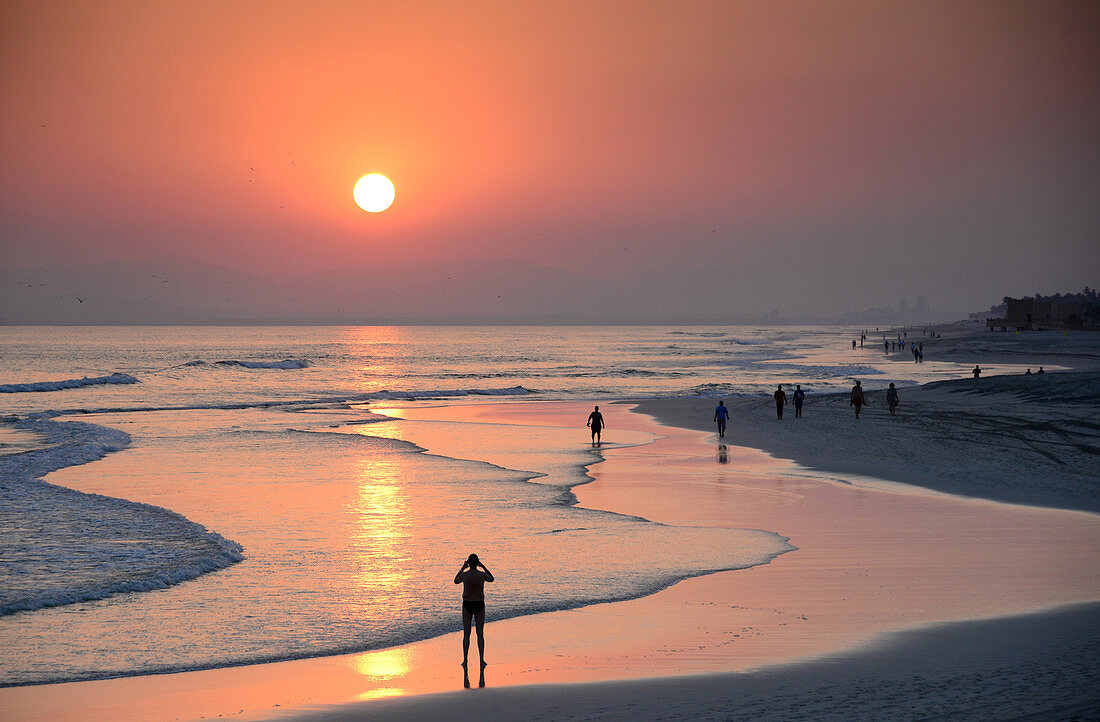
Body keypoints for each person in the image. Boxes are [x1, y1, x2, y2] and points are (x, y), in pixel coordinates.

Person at [454, 553, 494, 671]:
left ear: (468, 563)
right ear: (477, 563)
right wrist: (483, 567)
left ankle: (465, 660)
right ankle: (481, 660)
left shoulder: (465, 575)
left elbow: (455, 580)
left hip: (467, 604)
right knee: (480, 634)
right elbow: (491, 578)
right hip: (479, 604)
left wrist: (462, 568)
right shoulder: (481, 575)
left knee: (467, 634)